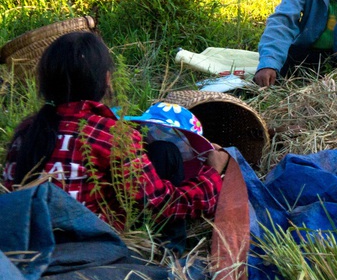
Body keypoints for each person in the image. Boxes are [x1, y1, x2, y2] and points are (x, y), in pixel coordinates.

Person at [3, 32, 229, 233]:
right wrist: (211, 173)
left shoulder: (26, 131)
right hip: (89, 244)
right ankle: (170, 250)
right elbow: (163, 205)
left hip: (27, 240)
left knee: (164, 151)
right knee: (166, 155)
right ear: (107, 79)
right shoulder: (110, 134)